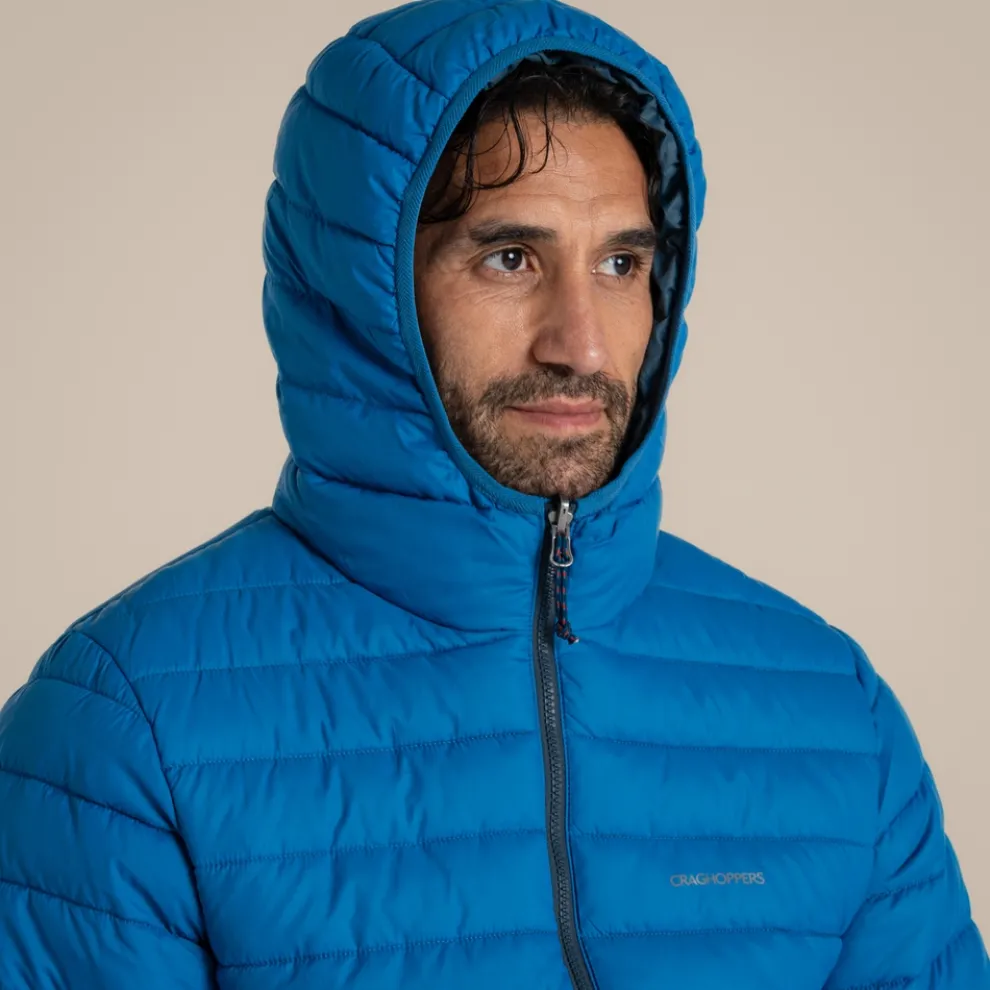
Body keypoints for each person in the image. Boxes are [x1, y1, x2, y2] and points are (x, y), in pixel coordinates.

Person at [0, 0, 986, 987]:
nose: (582, 345)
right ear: (361, 293)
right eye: (509, 259)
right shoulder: (125, 728)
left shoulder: (831, 712)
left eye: (621, 264)